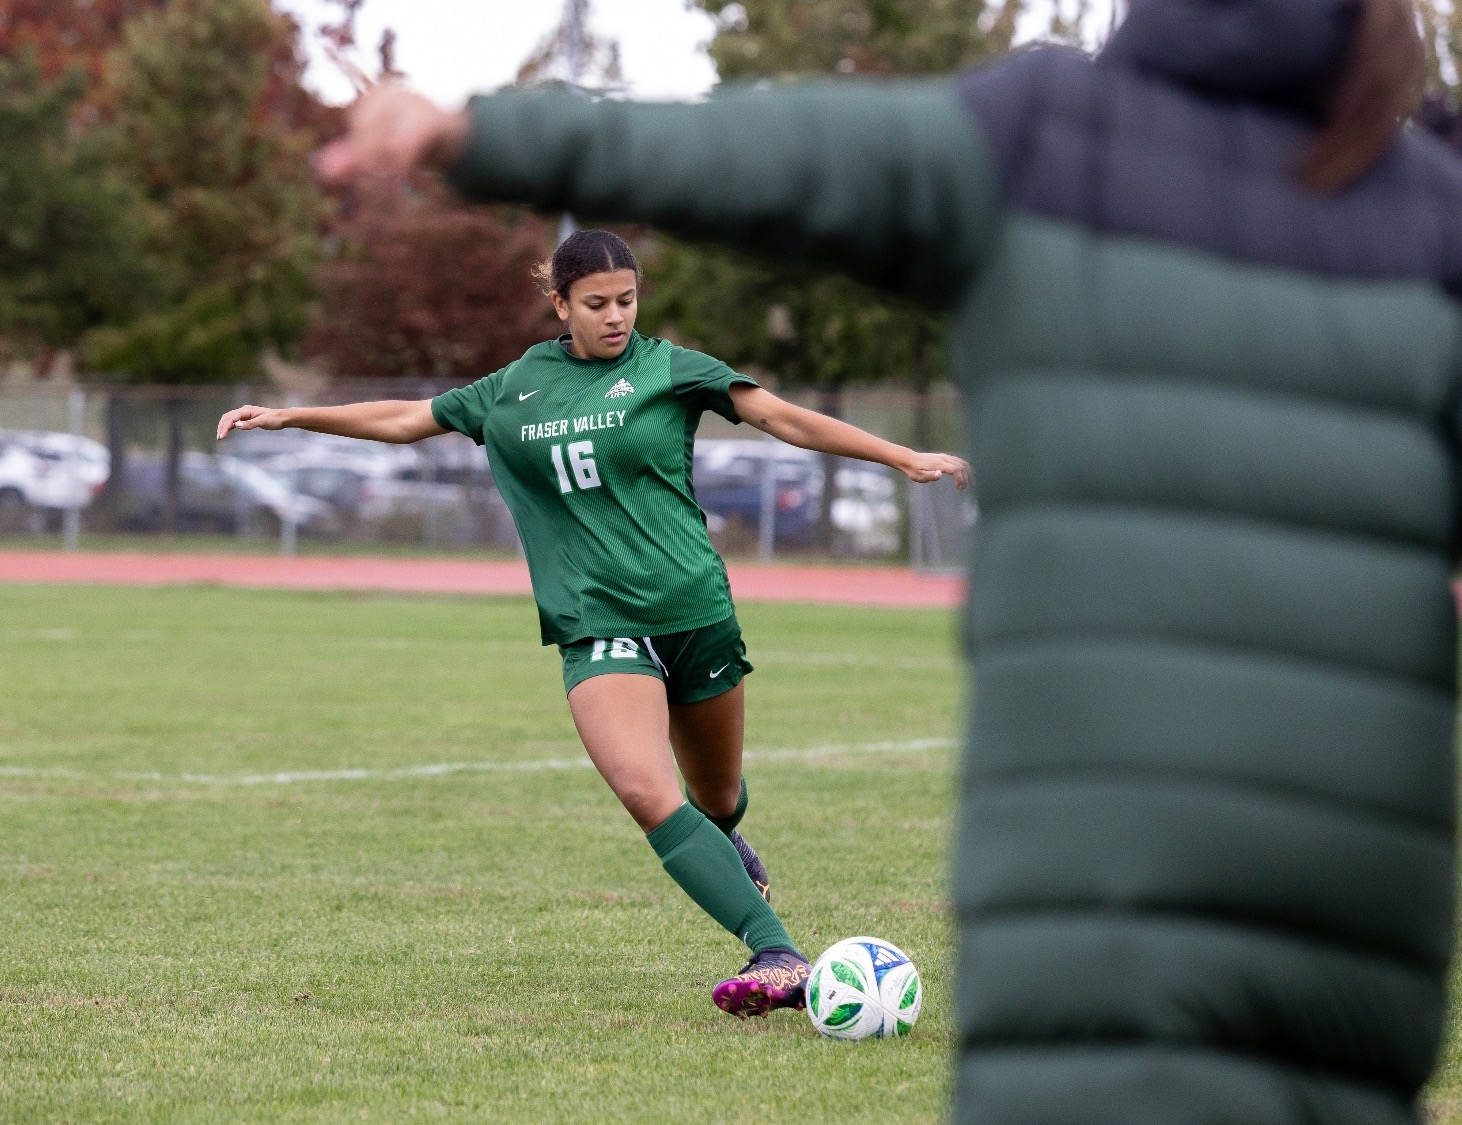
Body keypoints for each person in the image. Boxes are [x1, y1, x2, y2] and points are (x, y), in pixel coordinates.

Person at [310, 0, 1462, 1122]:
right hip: (1354, 889)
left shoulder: (1042, 142)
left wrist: (471, 132)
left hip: (1077, 861)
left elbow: (763, 150)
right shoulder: (1447, 227)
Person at [217, 229, 970, 1019]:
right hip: (597, 622)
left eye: (628, 300)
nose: (617, 317)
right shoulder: (517, 387)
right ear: (560, 305)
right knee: (647, 788)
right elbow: (408, 418)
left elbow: (781, 418)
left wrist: (901, 456)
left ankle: (726, 842)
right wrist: (292, 414)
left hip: (695, 612)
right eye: (598, 303)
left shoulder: (669, 368)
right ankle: (777, 951)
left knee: (716, 795)